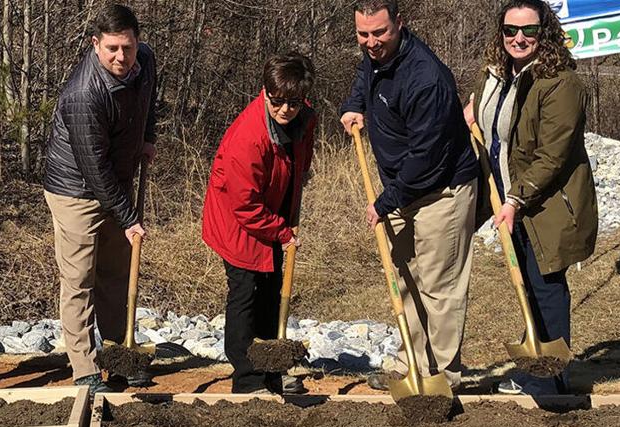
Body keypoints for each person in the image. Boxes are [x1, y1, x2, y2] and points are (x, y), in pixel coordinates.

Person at [340, 0, 479, 390]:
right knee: (408, 278)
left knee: (440, 286)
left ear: (400, 23)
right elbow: (365, 77)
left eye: (380, 32)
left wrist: (385, 201)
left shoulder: (426, 78)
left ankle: (443, 377)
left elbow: (428, 159)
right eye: (363, 34)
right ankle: (411, 364)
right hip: (404, 186)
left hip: (442, 190)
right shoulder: (376, 57)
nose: (371, 42)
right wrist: (354, 106)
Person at [467, 0, 598, 395]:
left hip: (546, 203)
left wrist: (514, 200)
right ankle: (534, 370)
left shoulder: (561, 82)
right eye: (510, 30)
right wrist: (472, 114)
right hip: (511, 196)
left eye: (529, 31)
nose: (519, 38)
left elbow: (553, 154)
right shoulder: (497, 75)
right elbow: (487, 120)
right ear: (501, 32)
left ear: (546, 33)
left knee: (546, 286)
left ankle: (551, 379)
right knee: (526, 283)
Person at [44, 4, 157, 393]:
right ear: (95, 44)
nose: (121, 57)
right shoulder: (82, 95)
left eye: (127, 47)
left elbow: (148, 98)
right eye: (111, 48)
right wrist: (128, 217)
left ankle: (119, 356)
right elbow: (94, 170)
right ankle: (86, 369)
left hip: (117, 177)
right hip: (75, 188)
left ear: (137, 42)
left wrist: (148, 137)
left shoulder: (145, 59)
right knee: (79, 279)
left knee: (116, 274)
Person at [201, 53, 318, 395]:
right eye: (277, 101)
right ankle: (248, 381)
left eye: (293, 103)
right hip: (238, 223)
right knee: (246, 295)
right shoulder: (249, 139)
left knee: (271, 290)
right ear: (265, 92)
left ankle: (271, 371)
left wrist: (296, 192)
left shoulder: (303, 117)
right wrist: (282, 232)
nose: (285, 110)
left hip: (272, 211)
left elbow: (302, 154)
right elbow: (244, 205)